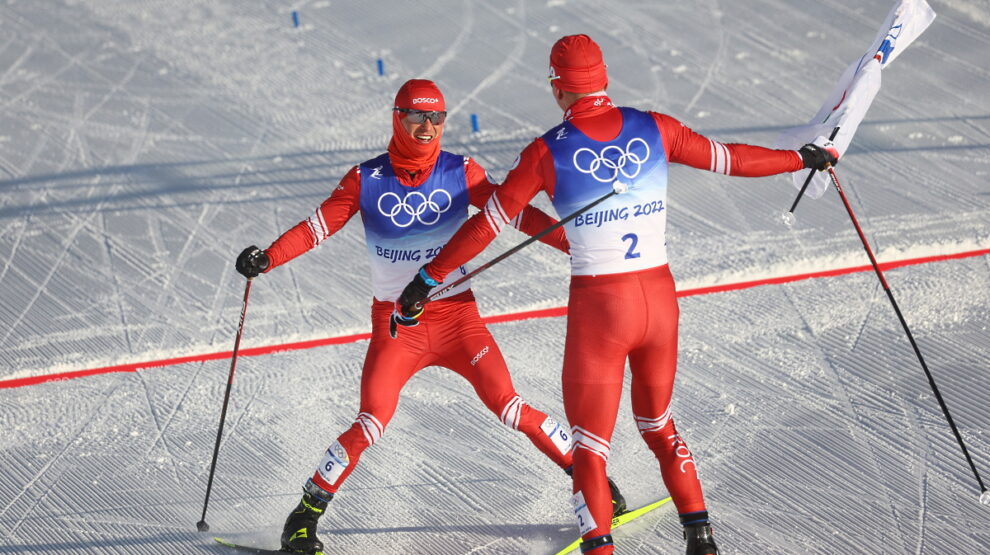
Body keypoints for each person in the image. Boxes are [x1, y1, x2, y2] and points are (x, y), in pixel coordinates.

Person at [395, 35, 839, 555]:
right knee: (659, 425)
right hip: (659, 302)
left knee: (589, 449)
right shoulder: (655, 126)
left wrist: (427, 280)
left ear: (557, 88)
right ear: (603, 78)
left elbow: (487, 225)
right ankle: (701, 538)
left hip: (601, 310)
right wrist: (801, 158)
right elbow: (733, 159)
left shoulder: (546, 150)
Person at [234, 78, 625, 554]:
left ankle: (596, 483)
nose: (427, 125)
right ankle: (302, 517)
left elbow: (516, 214)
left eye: (436, 116)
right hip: (399, 326)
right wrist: (269, 257)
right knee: (371, 420)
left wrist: (574, 243)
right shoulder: (366, 179)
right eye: (417, 115)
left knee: (509, 405)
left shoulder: (461, 171)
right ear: (397, 118)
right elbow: (316, 228)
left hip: (458, 320)